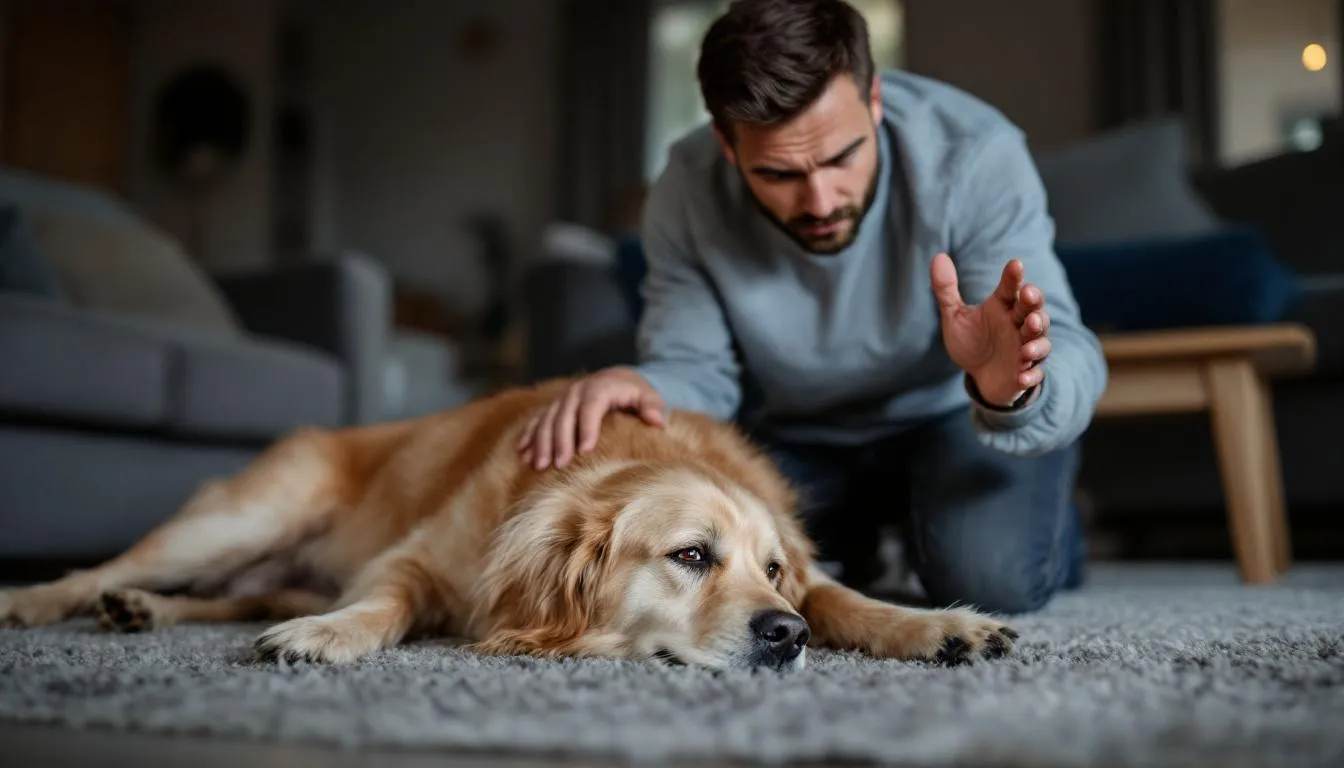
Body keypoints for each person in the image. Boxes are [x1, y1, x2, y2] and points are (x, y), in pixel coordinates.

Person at [518, 0, 1108, 614]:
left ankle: (1035, 522)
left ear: (874, 100)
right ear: (726, 143)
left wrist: (1013, 388)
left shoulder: (976, 154)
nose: (820, 200)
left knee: (990, 584)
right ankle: (877, 532)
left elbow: (1071, 347)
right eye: (778, 173)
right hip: (796, 436)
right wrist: (640, 383)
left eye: (840, 157)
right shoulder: (687, 189)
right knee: (762, 563)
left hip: (958, 416)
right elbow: (696, 370)